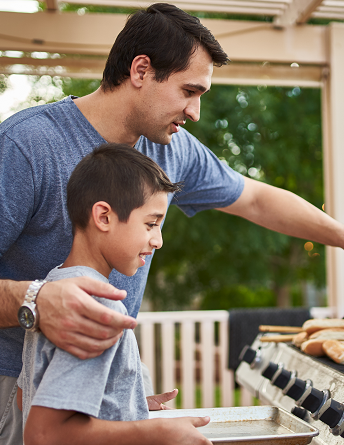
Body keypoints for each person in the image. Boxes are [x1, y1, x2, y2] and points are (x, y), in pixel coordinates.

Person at [0, 3, 344, 445]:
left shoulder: (168, 149)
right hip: (14, 390)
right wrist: (36, 301)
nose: (195, 112)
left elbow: (258, 200)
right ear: (141, 70)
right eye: (189, 91)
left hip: (96, 401)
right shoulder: (25, 145)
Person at [18, 143, 210, 445]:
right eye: (151, 223)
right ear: (103, 217)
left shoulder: (55, 287)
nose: (158, 240)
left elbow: (25, 398)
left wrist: (128, 406)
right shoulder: (97, 304)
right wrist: (156, 432)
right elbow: (44, 434)